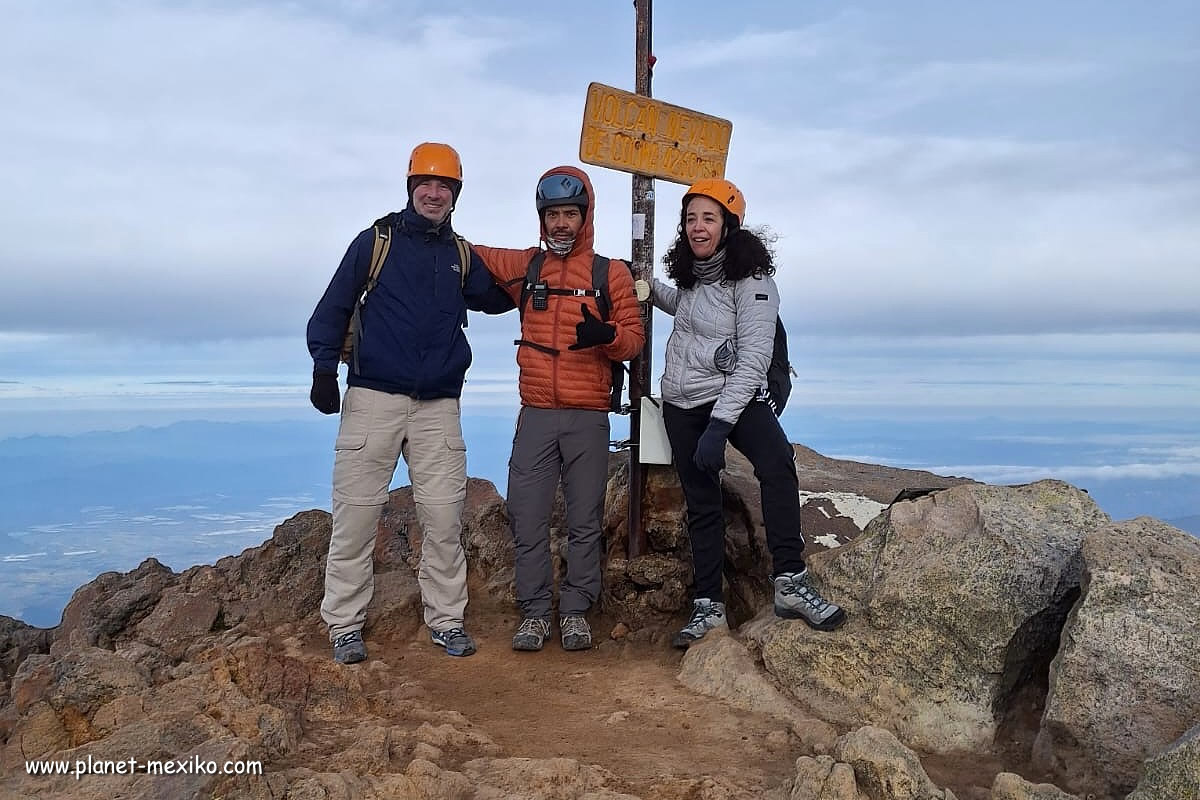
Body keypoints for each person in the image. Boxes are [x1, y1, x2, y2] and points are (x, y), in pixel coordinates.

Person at [306, 142, 515, 664]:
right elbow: (332, 307)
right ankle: (344, 624)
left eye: (445, 186)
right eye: (426, 183)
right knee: (355, 517)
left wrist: (544, 272)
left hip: (438, 407)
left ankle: (446, 621)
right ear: (410, 187)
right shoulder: (375, 242)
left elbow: (496, 294)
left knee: (444, 518)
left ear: (456, 195)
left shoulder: (458, 254)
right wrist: (323, 370)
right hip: (373, 398)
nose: (435, 192)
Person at [641, 178, 847, 648]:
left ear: (730, 225)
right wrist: (648, 288)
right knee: (701, 500)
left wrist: (719, 428)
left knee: (777, 463)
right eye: (691, 218)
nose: (697, 227)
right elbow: (688, 311)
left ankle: (790, 582)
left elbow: (754, 360)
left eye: (708, 218)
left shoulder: (754, 283)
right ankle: (708, 606)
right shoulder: (696, 278)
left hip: (731, 397)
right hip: (681, 401)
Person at [471, 166, 645, 652]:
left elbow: (633, 339)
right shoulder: (529, 268)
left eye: (570, 213)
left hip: (588, 416)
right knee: (526, 515)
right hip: (536, 415)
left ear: (585, 216)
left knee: (584, 518)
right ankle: (533, 612)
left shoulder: (610, 274)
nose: (561, 223)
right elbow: (475, 255)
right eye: (553, 215)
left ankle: (574, 610)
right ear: (542, 219)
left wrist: (607, 337)